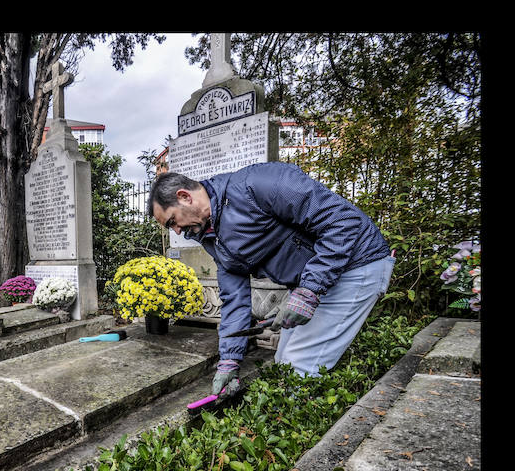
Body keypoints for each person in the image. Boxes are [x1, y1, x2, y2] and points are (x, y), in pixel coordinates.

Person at [147, 162, 395, 397]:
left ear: (184, 197)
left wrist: (309, 290)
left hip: (355, 265)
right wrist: (229, 361)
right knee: (283, 362)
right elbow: (234, 297)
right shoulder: (212, 235)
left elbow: (344, 223)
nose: (177, 231)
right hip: (321, 279)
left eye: (172, 222)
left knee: (298, 368)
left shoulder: (257, 184)